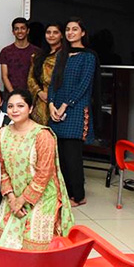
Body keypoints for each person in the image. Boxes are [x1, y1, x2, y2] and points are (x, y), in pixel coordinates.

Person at [0, 89, 74, 250]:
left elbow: (43, 174)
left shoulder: (42, 135)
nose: (14, 110)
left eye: (20, 106)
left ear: (30, 109)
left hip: (41, 195)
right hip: (13, 194)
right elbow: (1, 168)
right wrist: (11, 199)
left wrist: (21, 201)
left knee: (35, 245)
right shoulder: (3, 133)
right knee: (3, 238)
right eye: (10, 106)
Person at [48, 18, 98, 207]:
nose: (70, 33)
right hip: (57, 110)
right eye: (67, 29)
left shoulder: (89, 56)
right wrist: (52, 104)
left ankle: (78, 196)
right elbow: (54, 82)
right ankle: (64, 192)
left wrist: (64, 106)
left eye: (74, 29)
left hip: (75, 109)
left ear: (83, 33)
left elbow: (84, 85)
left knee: (72, 155)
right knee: (59, 154)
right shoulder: (62, 54)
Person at [27, 23, 63, 125]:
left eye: (55, 32)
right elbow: (31, 78)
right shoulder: (38, 55)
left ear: (62, 35)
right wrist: (39, 92)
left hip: (59, 98)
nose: (51, 35)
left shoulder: (66, 56)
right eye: (48, 32)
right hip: (41, 100)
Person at [0, 18, 39, 94]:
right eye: (16, 29)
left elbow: (39, 76)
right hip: (11, 95)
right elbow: (4, 76)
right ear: (13, 32)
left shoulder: (37, 52)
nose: (20, 31)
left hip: (31, 95)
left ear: (28, 31)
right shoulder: (6, 51)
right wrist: (13, 94)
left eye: (23, 28)